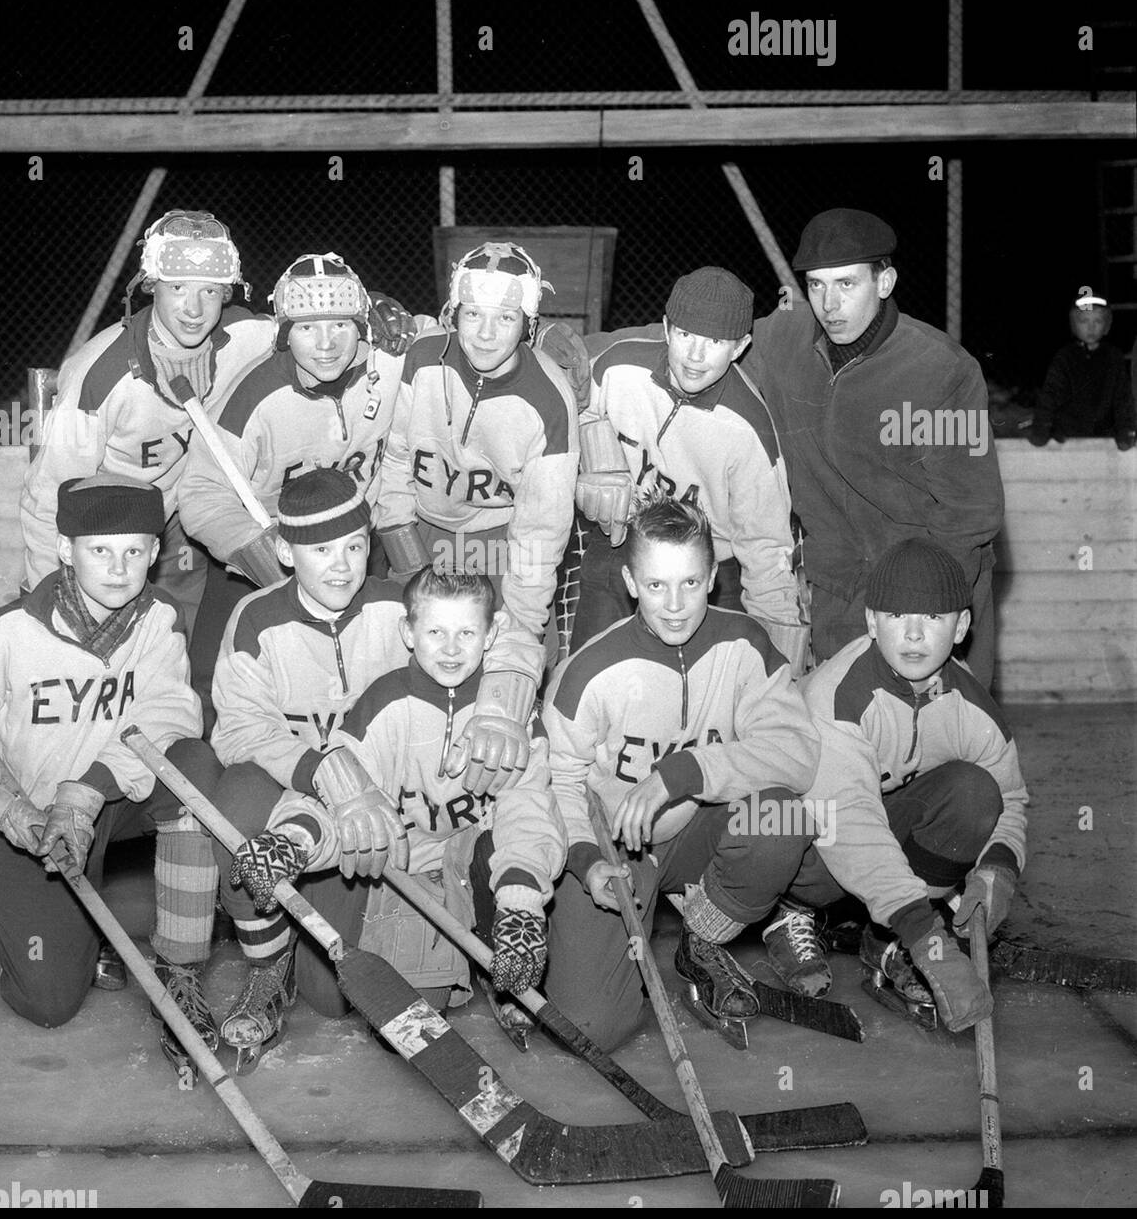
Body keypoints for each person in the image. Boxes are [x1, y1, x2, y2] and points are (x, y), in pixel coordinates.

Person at [0, 476, 221, 1064]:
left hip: (109, 801)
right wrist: (5, 807)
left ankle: (180, 971)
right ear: (63, 548)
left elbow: (171, 713)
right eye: (99, 549)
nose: (118, 567)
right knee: (49, 1004)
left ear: (156, 553)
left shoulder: (160, 619)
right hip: (25, 817)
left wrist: (87, 791)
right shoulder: (7, 630)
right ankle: (11, 928)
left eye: (134, 550)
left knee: (195, 770)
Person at [540, 493, 832, 1053]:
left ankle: (701, 937)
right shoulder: (588, 673)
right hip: (614, 853)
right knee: (596, 1027)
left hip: (698, 835)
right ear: (629, 581)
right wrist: (585, 860)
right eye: (656, 586)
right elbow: (558, 783)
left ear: (713, 576)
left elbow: (797, 752)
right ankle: (618, 928)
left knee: (780, 817)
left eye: (690, 584)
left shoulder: (745, 645)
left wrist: (685, 771)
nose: (675, 605)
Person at [230, 568, 565, 1028]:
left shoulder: (511, 718)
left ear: (490, 636)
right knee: (377, 1009)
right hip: (409, 873)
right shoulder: (384, 703)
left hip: (480, 869)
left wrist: (523, 905)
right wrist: (293, 841)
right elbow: (338, 798)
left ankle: (498, 946)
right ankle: (452, 959)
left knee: (500, 841)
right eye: (435, 631)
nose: (451, 648)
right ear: (408, 633)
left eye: (467, 632)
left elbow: (531, 813)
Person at [201, 469, 413, 1067]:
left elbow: (477, 655)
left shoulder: (401, 607)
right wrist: (320, 768)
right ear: (284, 551)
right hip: (286, 794)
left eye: (354, 545)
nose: (342, 565)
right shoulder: (255, 617)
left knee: (333, 999)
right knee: (235, 801)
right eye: (321, 550)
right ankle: (267, 968)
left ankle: (305, 955)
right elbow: (237, 730)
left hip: (369, 803)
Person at [746, 208, 1005, 686]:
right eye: (817, 285)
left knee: (945, 747)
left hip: (931, 585)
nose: (828, 303)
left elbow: (970, 511)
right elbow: (698, 338)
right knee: (846, 746)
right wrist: (569, 345)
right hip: (839, 587)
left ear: (884, 282)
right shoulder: (783, 341)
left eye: (847, 284)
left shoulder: (942, 371)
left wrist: (923, 610)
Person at [179, 252, 426, 727]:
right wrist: (266, 556)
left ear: (363, 325)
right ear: (284, 334)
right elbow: (202, 494)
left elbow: (458, 338)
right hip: (270, 549)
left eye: (340, 324)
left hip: (355, 545)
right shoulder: (254, 397)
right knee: (212, 681)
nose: (327, 344)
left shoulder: (390, 360)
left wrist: (546, 335)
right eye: (307, 328)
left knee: (382, 667)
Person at [798, 538, 1028, 1033]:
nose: (915, 634)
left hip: (884, 860)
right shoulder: (837, 698)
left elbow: (1009, 799)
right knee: (787, 829)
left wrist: (999, 865)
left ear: (962, 626)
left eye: (935, 618)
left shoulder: (974, 708)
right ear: (871, 621)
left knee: (975, 793)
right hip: (814, 855)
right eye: (898, 615)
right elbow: (849, 826)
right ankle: (792, 915)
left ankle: (886, 938)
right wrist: (929, 938)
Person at [376, 241, 579, 799]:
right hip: (416, 528)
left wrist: (521, 637)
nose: (486, 334)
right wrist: (403, 549)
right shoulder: (419, 360)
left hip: (498, 540)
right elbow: (393, 464)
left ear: (528, 324)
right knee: (404, 644)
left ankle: (500, 799)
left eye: (506, 318)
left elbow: (539, 539)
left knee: (508, 647)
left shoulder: (549, 403)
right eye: (473, 315)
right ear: (452, 314)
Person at [19, 210, 277, 634]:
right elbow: (46, 496)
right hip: (106, 530)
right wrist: (46, 597)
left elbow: (313, 332)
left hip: (182, 522)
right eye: (177, 288)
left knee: (176, 646)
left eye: (210, 291)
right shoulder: (100, 374)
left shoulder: (246, 338)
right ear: (151, 286)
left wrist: (374, 315)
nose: (194, 309)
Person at [565, 266, 803, 665]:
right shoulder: (619, 368)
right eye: (685, 334)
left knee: (711, 692)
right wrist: (587, 464)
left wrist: (780, 659)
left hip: (711, 568)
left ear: (740, 346)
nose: (695, 355)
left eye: (714, 341)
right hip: (623, 544)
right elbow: (570, 412)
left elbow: (765, 549)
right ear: (666, 328)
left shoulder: (748, 430)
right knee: (587, 669)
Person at [1029, 293, 1136, 449]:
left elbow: (1122, 398)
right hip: (1067, 437)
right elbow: (1050, 395)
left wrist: (1126, 430)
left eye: (1098, 321)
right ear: (1074, 325)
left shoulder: (1114, 358)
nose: (1091, 327)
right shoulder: (1065, 358)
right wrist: (1041, 427)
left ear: (1106, 326)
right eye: (1084, 321)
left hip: (1105, 436)